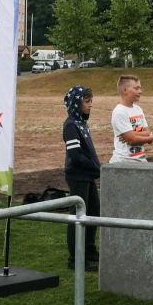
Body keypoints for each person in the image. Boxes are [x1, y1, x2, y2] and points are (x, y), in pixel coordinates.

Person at [62, 85, 101, 272]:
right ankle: (75, 257)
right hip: (78, 176)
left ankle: (89, 250)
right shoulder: (70, 125)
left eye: (91, 101)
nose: (90, 105)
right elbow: (76, 155)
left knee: (94, 211)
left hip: (88, 175)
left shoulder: (81, 123)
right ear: (76, 103)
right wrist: (96, 167)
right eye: (87, 101)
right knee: (78, 216)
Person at [111, 74, 153, 163]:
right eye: (136, 88)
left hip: (140, 159)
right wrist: (149, 139)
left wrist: (132, 133)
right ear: (125, 90)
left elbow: (147, 132)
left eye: (140, 88)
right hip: (124, 161)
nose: (140, 91)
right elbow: (132, 140)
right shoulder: (120, 111)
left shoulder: (138, 109)